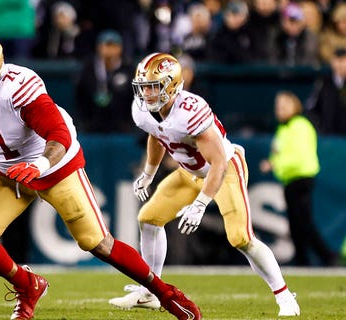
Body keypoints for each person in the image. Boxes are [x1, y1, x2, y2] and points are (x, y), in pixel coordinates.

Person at [0, 32, 201, 320]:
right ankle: (28, 285)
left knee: (97, 243)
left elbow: (59, 134)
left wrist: (38, 166)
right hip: (8, 168)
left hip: (54, 165)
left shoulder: (17, 88)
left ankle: (164, 292)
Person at [108, 52, 300, 317]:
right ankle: (152, 291)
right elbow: (156, 135)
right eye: (144, 87)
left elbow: (219, 162)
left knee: (241, 238)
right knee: (149, 219)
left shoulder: (190, 110)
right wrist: (149, 172)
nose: (148, 94)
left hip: (224, 170)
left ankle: (284, 295)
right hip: (189, 172)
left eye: (154, 87)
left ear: (172, 84)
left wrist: (200, 205)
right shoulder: (142, 109)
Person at [260, 91, 338, 266]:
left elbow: (299, 156)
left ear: (295, 106)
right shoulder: (283, 129)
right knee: (296, 225)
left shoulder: (301, 126)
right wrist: (273, 162)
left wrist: (275, 164)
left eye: (284, 106)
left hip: (302, 179)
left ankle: (328, 257)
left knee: (303, 222)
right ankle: (303, 261)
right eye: (278, 107)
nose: (280, 110)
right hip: (290, 180)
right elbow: (280, 153)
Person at [74, 29, 135, 133]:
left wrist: (128, 123)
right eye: (106, 45)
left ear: (120, 48)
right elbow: (80, 96)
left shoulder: (128, 68)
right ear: (98, 47)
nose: (110, 50)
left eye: (113, 46)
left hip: (122, 129)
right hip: (92, 128)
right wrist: (86, 122)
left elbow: (134, 97)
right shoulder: (89, 68)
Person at [306, 47, 346, 135]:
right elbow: (311, 108)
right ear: (332, 62)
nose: (340, 65)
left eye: (343, 61)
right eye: (337, 60)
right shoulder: (323, 83)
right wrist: (320, 129)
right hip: (328, 137)